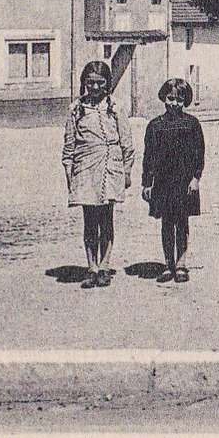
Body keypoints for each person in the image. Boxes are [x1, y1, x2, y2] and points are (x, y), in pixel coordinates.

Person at [62, 60, 135, 289]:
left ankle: (105, 266)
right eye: (90, 83)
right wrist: (70, 175)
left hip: (110, 167)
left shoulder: (116, 107)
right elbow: (69, 147)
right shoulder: (76, 108)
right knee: (89, 221)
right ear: (84, 82)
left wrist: (126, 172)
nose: (94, 88)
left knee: (106, 219)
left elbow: (127, 144)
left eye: (99, 83)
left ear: (107, 84)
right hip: (85, 169)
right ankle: (91, 267)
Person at [142, 78, 205, 285]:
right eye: (171, 98)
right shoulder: (154, 126)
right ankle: (168, 264)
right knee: (167, 224)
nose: (174, 103)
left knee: (182, 222)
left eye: (180, 99)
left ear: (185, 101)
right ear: (164, 98)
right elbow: (148, 156)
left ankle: (181, 264)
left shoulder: (192, 124)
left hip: (184, 182)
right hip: (162, 182)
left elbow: (199, 153)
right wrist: (147, 183)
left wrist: (196, 178)